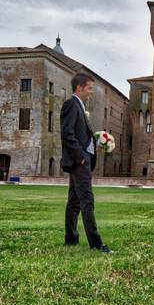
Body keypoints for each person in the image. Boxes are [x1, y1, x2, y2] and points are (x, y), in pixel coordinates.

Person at [61, 73, 112, 253]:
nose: (91, 92)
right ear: (79, 88)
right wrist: (81, 156)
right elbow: (67, 134)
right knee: (87, 201)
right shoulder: (71, 105)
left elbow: (80, 135)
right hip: (79, 162)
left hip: (82, 160)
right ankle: (97, 244)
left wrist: (94, 144)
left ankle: (71, 240)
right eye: (89, 88)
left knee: (74, 202)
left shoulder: (80, 106)